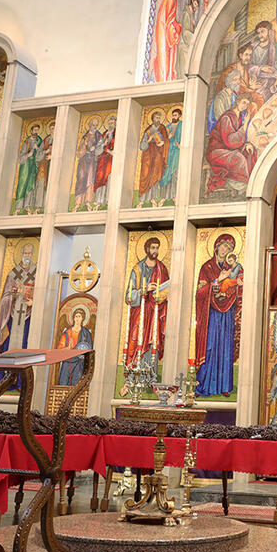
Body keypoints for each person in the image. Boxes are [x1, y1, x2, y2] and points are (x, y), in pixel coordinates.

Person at [194, 234, 243, 397]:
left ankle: (224, 386)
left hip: (227, 312)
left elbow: (238, 284)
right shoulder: (206, 267)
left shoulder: (232, 267)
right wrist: (218, 279)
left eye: (228, 248)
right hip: (211, 314)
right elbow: (200, 292)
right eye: (223, 246)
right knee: (210, 346)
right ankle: (202, 385)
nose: (225, 249)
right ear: (216, 246)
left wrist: (235, 285)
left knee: (225, 347)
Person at [0, 243, 36, 389]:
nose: (27, 256)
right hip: (13, 315)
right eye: (25, 253)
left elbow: (43, 297)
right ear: (21, 254)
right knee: (8, 346)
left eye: (30, 253)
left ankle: (21, 382)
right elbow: (4, 297)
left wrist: (33, 303)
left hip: (27, 317)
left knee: (24, 346)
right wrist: (13, 296)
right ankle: (4, 381)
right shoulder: (13, 274)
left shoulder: (37, 273)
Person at [124, 237, 169, 378]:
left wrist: (162, 293)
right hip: (140, 314)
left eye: (157, 248)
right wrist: (144, 289)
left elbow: (167, 290)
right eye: (153, 248)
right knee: (137, 341)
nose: (155, 251)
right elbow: (128, 296)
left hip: (156, 313)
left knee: (152, 343)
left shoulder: (162, 268)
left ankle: (150, 378)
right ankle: (134, 378)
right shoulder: (138, 269)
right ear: (147, 249)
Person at [205, 93, 256, 195]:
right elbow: (230, 141)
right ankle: (239, 186)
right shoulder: (227, 117)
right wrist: (245, 125)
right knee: (239, 158)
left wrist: (246, 144)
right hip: (217, 152)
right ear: (237, 102)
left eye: (247, 104)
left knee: (250, 152)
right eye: (243, 102)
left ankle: (248, 184)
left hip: (228, 149)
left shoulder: (238, 117)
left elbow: (236, 139)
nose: (245, 106)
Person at [151, 0, 182, 81]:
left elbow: (170, 18)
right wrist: (174, 31)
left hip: (165, 28)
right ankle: (162, 78)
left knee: (167, 54)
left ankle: (165, 77)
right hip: (163, 29)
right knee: (164, 54)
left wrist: (175, 26)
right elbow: (167, 19)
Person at [137, 111, 169, 204]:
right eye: (156, 118)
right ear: (152, 119)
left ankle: (153, 199)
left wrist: (163, 143)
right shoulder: (148, 130)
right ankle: (143, 199)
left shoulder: (162, 128)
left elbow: (166, 140)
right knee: (145, 174)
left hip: (158, 155)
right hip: (148, 155)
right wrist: (149, 140)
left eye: (159, 118)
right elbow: (142, 146)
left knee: (155, 175)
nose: (158, 120)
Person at [56, 306, 93, 386]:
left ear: (83, 318)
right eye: (76, 316)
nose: (77, 318)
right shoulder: (67, 332)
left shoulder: (86, 333)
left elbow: (89, 349)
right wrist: (68, 348)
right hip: (67, 361)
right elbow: (59, 349)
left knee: (76, 384)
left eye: (79, 316)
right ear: (73, 318)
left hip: (79, 363)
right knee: (63, 382)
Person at [74, 116, 102, 208]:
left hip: (92, 160)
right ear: (90, 125)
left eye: (96, 125)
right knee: (81, 177)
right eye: (93, 125)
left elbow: (101, 147)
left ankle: (88, 201)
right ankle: (78, 202)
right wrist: (84, 146)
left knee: (90, 179)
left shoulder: (98, 136)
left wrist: (95, 148)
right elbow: (79, 151)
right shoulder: (85, 136)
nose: (95, 127)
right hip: (83, 160)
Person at [13, 124, 42, 212]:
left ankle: (27, 205)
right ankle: (18, 207)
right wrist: (28, 155)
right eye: (35, 130)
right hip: (25, 166)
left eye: (37, 130)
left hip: (33, 166)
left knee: (31, 184)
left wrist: (38, 149)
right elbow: (20, 158)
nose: (36, 132)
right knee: (22, 184)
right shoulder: (26, 142)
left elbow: (41, 154)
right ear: (31, 131)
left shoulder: (39, 141)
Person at [158, 107, 182, 201]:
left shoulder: (182, 125)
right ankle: (164, 197)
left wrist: (180, 145)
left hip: (176, 151)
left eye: (175, 115)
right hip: (168, 150)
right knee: (166, 171)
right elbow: (162, 137)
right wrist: (168, 137)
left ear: (179, 116)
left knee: (175, 172)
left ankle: (174, 195)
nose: (174, 117)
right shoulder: (168, 126)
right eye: (173, 115)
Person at [33, 119, 55, 210]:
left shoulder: (60, 139)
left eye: (54, 128)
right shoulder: (46, 140)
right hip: (44, 165)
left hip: (54, 165)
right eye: (51, 128)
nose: (52, 130)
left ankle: (50, 206)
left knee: (52, 184)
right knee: (41, 183)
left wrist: (53, 156)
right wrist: (45, 152)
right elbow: (38, 155)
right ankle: (39, 205)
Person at [94, 115, 116, 204]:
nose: (111, 125)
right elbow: (97, 149)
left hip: (111, 160)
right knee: (100, 177)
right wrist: (104, 145)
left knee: (109, 177)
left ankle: (108, 200)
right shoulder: (104, 135)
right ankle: (99, 200)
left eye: (112, 123)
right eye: (109, 123)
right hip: (102, 160)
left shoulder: (117, 134)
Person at [178, 0, 200, 73]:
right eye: (195, 4)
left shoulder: (191, 16)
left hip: (187, 44)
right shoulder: (186, 14)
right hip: (184, 45)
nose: (196, 7)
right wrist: (194, 38)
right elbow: (185, 32)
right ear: (192, 2)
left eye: (197, 6)